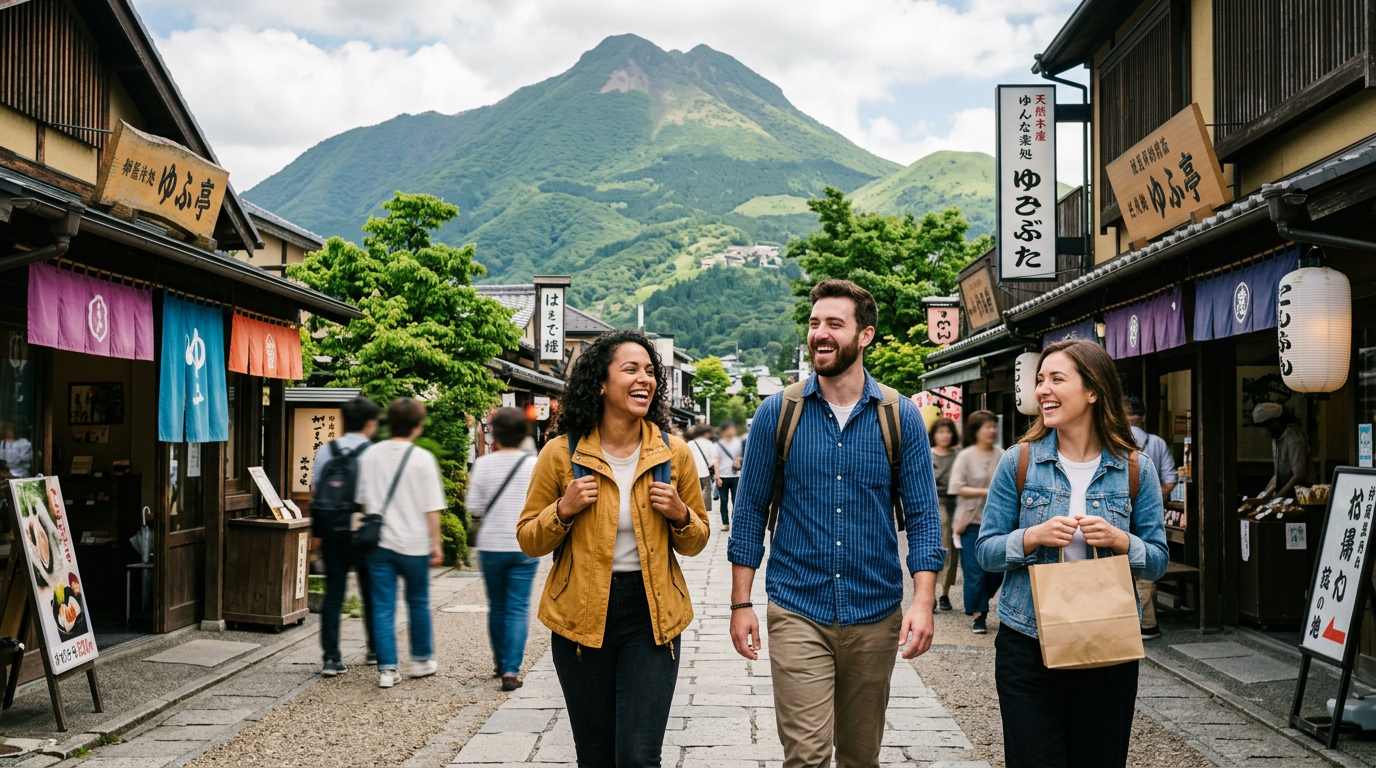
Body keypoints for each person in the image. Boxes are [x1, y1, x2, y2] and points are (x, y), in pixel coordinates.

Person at [728, 279, 944, 768]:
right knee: (805, 756)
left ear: (864, 335)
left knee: (860, 757)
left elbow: (925, 517)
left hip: (876, 609)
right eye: (813, 324)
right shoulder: (777, 414)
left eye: (834, 324)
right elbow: (749, 514)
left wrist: (924, 601)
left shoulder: (899, 415)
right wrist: (741, 602)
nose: (819, 334)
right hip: (798, 605)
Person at [517, 329, 710, 767]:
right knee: (597, 756)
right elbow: (529, 538)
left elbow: (698, 540)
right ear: (601, 383)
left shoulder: (672, 454)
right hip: (583, 616)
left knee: (640, 758)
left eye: (650, 371)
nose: (645, 378)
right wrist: (562, 511)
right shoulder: (560, 454)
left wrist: (680, 514)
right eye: (631, 369)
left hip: (652, 612)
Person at [976, 340, 1169, 768]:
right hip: (1028, 641)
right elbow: (986, 553)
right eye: (1040, 379)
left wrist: (1122, 542)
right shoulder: (1019, 461)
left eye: (1057, 379)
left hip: (1107, 642)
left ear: (1093, 390)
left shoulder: (1136, 467)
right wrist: (1031, 537)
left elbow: (1157, 559)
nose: (1043, 389)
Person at [357, 397, 448, 689]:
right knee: (417, 601)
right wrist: (437, 543)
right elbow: (431, 508)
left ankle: (387, 669)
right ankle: (421, 659)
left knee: (383, 606)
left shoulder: (370, 455)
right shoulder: (422, 459)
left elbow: (362, 500)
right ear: (417, 426)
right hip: (414, 544)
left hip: (379, 543)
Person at [467, 407, 539, 692]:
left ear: (494, 434)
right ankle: (511, 669)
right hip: (524, 544)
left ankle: (499, 660)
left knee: (496, 606)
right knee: (518, 606)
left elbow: (474, 507)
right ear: (524, 434)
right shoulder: (533, 465)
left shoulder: (484, 465)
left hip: (492, 544)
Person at [311, 396, 379, 676]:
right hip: (363, 531)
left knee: (334, 593)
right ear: (369, 423)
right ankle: (375, 649)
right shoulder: (373, 452)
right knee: (371, 592)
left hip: (333, 531)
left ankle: (331, 657)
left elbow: (316, 493)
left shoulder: (326, 450)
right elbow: (374, 496)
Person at [1126, 395, 1178, 641]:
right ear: (1143, 417)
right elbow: (1170, 479)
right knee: (1145, 560)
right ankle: (1148, 623)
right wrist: (1152, 500)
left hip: (1120, 511)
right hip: (1149, 514)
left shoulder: (1114, 439)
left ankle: (1136, 623)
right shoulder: (1157, 443)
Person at [949, 410, 1005, 634]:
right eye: (987, 427)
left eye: (994, 426)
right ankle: (979, 614)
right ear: (975, 431)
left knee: (998, 570)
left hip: (998, 522)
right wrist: (987, 491)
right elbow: (956, 487)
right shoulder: (965, 456)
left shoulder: (1002, 454)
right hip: (970, 522)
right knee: (974, 570)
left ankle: (979, 600)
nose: (992, 431)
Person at [929, 417, 961, 612]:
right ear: (934, 435)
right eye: (940, 432)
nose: (944, 435)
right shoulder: (928, 454)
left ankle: (944, 594)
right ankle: (929, 595)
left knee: (950, 551)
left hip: (955, 503)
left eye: (948, 432)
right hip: (934, 503)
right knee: (934, 548)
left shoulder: (958, 456)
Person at [1249, 401, 1309, 502]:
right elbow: (1277, 475)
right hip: (1286, 495)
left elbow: (1298, 475)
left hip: (1301, 495)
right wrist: (1263, 496)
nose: (1264, 431)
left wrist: (1277, 497)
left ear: (1275, 422)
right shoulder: (1276, 441)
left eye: (1265, 426)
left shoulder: (1294, 440)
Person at [687, 424, 720, 523]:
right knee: (705, 494)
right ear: (706, 433)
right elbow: (714, 460)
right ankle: (703, 517)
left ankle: (693, 514)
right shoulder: (709, 443)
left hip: (692, 473)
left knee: (693, 495)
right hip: (705, 473)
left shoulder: (690, 443)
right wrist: (717, 476)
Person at [716, 422, 744, 531]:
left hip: (736, 475)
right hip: (723, 476)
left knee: (736, 500)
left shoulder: (738, 442)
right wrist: (717, 477)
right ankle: (725, 523)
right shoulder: (719, 444)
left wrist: (739, 460)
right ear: (724, 431)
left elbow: (742, 455)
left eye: (733, 429)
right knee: (723, 500)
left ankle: (735, 521)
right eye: (729, 429)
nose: (732, 431)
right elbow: (716, 461)